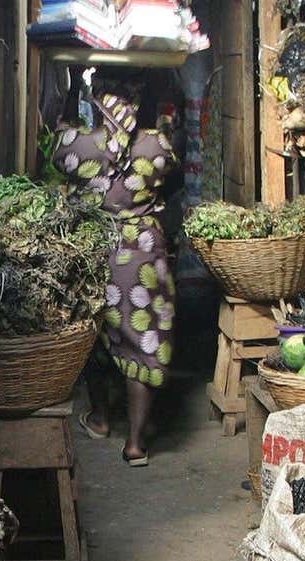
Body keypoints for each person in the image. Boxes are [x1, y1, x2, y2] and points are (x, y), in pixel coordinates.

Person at [54, 77, 178, 467]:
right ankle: (137, 444)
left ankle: (103, 418)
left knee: (94, 338)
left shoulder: (79, 146)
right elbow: (168, 172)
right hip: (143, 256)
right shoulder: (155, 147)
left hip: (97, 251)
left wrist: (74, 92)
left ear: (98, 102)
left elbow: (56, 142)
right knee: (141, 340)